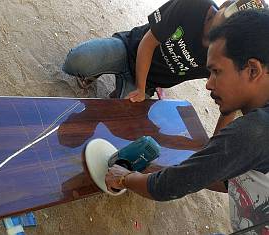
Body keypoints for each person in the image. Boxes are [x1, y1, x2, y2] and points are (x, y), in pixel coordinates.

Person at [105, 9, 269, 233]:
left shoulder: (256, 131)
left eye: (216, 72)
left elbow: (168, 187)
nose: (208, 84)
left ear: (252, 70)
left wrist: (125, 178)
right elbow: (221, 177)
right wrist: (187, 169)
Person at [62, 0, 266, 135]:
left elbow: (230, 101)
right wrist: (140, 89)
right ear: (221, 8)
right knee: (76, 61)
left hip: (151, 81)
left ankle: (128, 89)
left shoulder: (229, 54)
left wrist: (215, 143)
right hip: (130, 48)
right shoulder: (193, 6)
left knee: (118, 123)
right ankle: (101, 70)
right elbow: (148, 43)